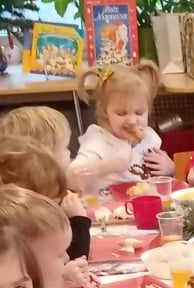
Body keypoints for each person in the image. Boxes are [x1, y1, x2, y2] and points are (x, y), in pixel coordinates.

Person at [0, 109, 91, 263]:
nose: (70, 153)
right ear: (44, 156)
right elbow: (71, 258)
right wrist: (78, 220)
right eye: (65, 147)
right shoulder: (23, 213)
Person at [71, 61, 174, 192]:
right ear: (105, 112)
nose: (132, 121)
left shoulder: (150, 138)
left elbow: (160, 181)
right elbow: (73, 177)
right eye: (121, 113)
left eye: (139, 113)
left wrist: (170, 169)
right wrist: (109, 165)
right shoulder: (97, 141)